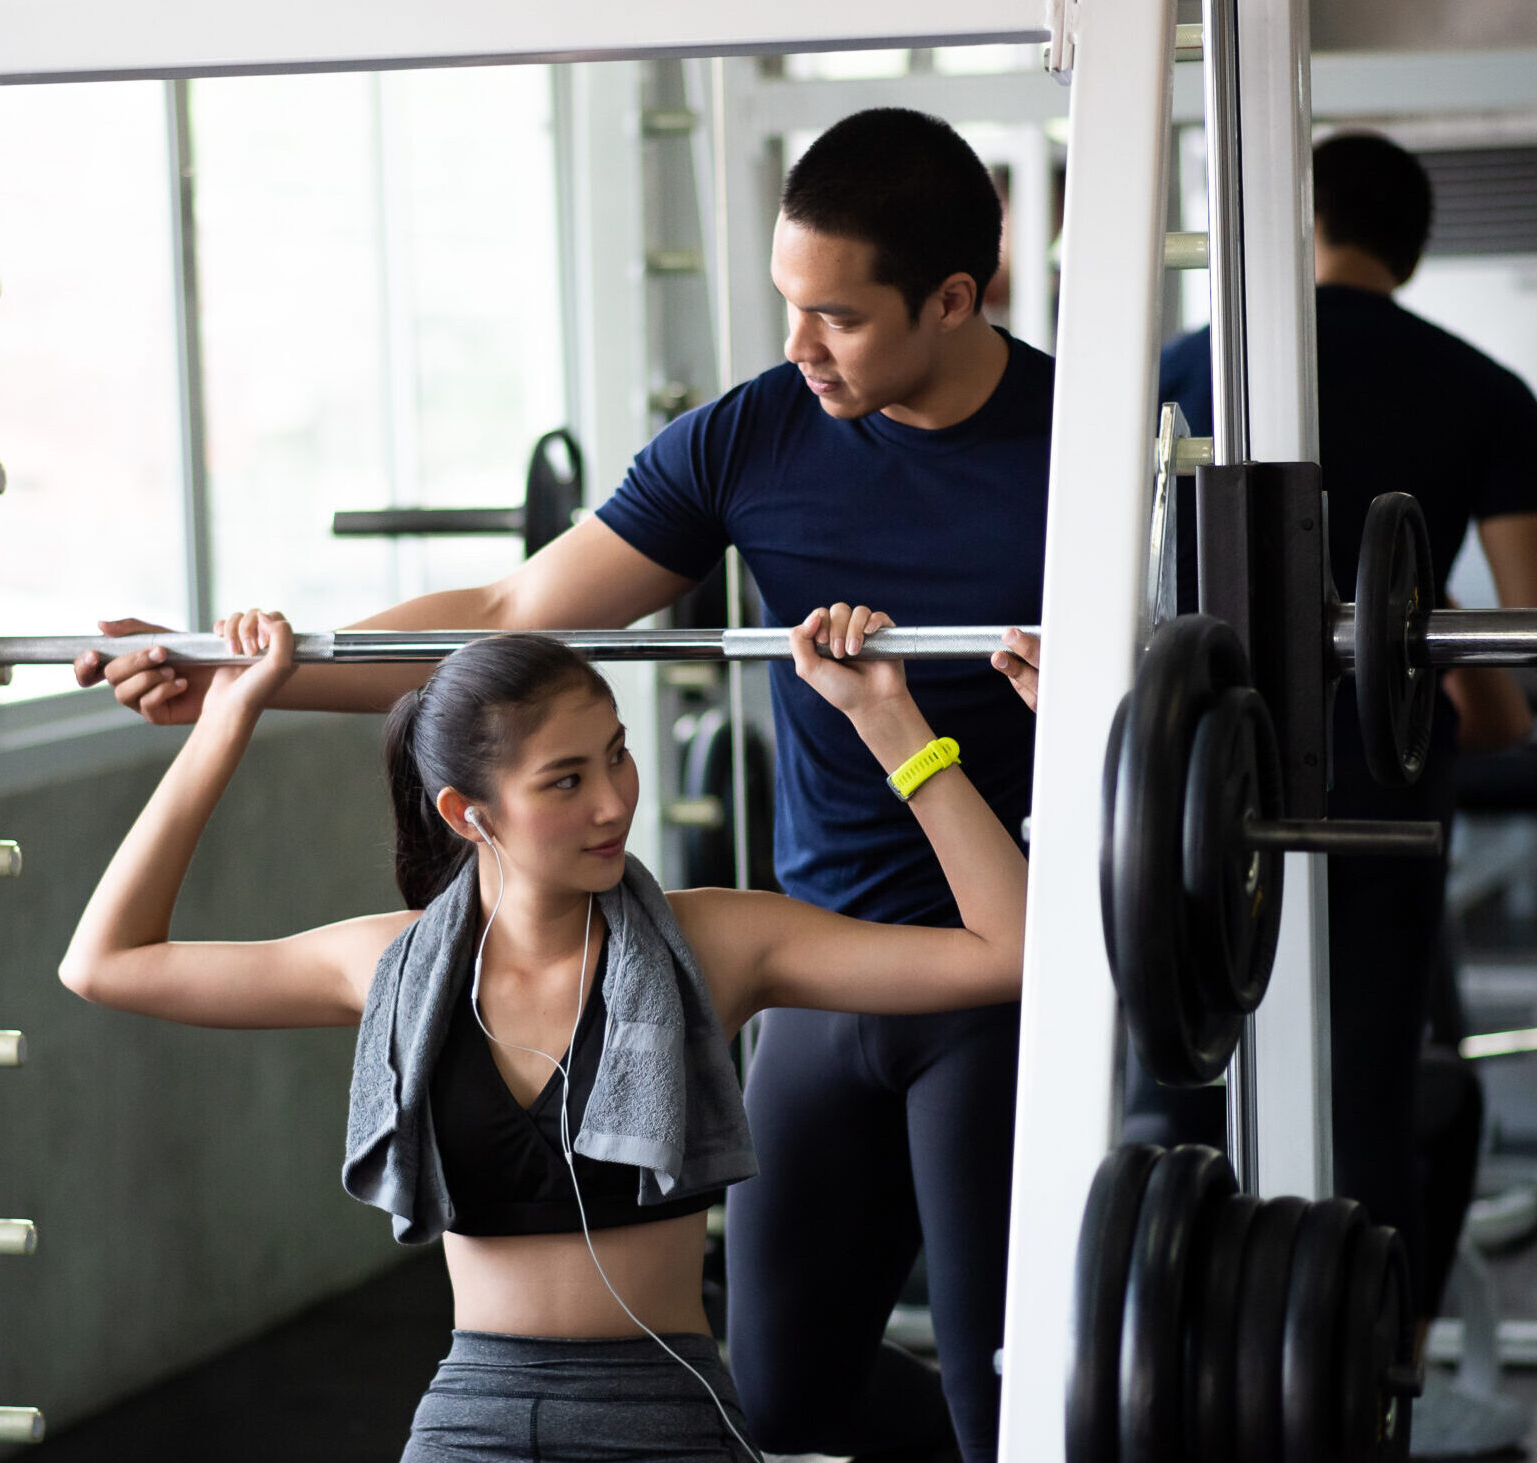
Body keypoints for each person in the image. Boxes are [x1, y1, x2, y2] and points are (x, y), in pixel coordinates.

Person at [81, 108, 1044, 1463]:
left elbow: (1190, 706)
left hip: (998, 968)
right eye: (786, 305)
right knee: (776, 1390)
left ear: (955, 298)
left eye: (836, 317)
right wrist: (244, 677)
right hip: (818, 947)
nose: (796, 348)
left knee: (1017, 1394)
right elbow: (513, 607)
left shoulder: (1084, 455)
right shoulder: (755, 436)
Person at [59, 605, 1029, 1463]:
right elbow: (104, 960)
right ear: (467, 812)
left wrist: (887, 721)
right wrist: (229, 716)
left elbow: (1009, 949)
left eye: (615, 752)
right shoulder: (388, 965)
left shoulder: (718, 942)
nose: (614, 800)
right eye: (565, 780)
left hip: (662, 1413)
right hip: (472, 1416)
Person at [1014, 133, 1537, 1377]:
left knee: (1181, 1084)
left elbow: (1104, 597)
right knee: (1367, 1096)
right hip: (1369, 797)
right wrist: (1467, 691)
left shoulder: (1162, 372)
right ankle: (1353, 1386)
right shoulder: (1480, 388)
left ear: (1283, 219)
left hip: (1178, 794)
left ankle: (1165, 1376)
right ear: (1413, 246)